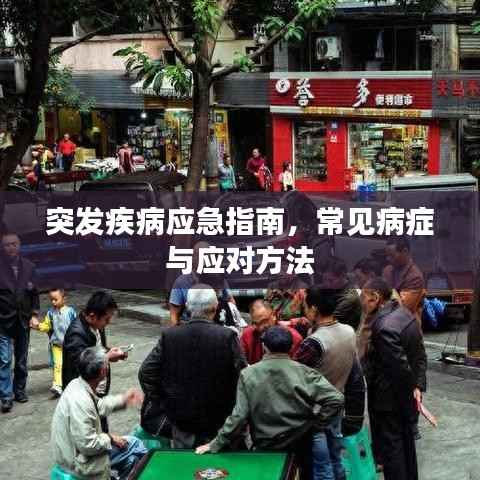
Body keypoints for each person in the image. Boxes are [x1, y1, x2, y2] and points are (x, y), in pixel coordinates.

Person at [196, 326, 344, 480]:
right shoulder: (304, 372)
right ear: (291, 347)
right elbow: (336, 399)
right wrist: (318, 423)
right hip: (300, 441)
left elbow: (239, 416)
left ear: (264, 346)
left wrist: (216, 443)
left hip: (267, 445)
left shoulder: (248, 374)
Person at [139, 286, 247, 448]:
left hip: (182, 422)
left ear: (187, 307)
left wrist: (164, 400)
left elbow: (146, 372)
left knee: (185, 462)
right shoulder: (227, 336)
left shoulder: (170, 336)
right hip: (220, 421)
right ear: (215, 307)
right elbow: (243, 376)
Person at [361, 277, 427, 480]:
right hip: (404, 396)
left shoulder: (384, 326)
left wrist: (412, 395)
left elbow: (399, 369)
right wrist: (417, 387)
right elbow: (420, 356)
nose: (362, 304)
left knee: (393, 452)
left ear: (375, 297)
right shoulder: (405, 314)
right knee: (406, 447)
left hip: (389, 400)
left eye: (364, 298)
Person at [51, 347, 147, 480]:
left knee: (131, 455)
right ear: (103, 371)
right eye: (106, 364)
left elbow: (97, 406)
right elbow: (88, 445)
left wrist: (123, 399)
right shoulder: (81, 401)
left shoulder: (77, 384)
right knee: (137, 446)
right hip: (78, 464)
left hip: (73, 453)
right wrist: (110, 438)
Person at [295, 286, 357, 480]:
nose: (304, 310)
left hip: (316, 412)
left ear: (314, 309)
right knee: (336, 458)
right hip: (337, 405)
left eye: (305, 306)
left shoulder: (314, 342)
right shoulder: (349, 331)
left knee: (322, 467)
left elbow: (295, 375)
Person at [62, 291, 128, 406]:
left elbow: (98, 348)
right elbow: (82, 366)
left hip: (97, 392)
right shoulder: (76, 334)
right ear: (92, 316)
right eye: (106, 319)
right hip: (82, 397)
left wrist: (112, 353)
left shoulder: (97, 326)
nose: (108, 322)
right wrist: (107, 357)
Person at [0, 232, 39, 413]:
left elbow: (34, 294)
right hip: (3, 321)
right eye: (7, 245)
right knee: (4, 359)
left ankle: (20, 391)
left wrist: (34, 314)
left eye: (14, 244)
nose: (10, 247)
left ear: (19, 245)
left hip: (23, 319)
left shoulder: (29, 267)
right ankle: (6, 396)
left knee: (21, 359)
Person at [169, 242, 234, 326]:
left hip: (217, 325)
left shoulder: (217, 278)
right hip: (190, 325)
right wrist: (176, 330)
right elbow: (174, 313)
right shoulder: (182, 282)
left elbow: (231, 302)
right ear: (192, 258)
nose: (201, 259)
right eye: (198, 255)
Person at [33, 289, 77, 397]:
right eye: (51, 299)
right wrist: (38, 326)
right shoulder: (50, 313)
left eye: (55, 299)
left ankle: (73, 384)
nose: (53, 302)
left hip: (70, 345)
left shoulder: (70, 311)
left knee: (71, 365)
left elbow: (76, 325)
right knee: (57, 365)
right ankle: (57, 385)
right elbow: (47, 326)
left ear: (64, 299)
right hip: (56, 344)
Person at [240, 299, 303, 364]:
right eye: (256, 323)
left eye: (264, 321)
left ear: (274, 315)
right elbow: (241, 362)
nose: (261, 327)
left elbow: (296, 368)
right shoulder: (248, 335)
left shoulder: (294, 338)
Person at [383, 237, 425, 328]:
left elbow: (404, 310)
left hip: (406, 328)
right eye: (387, 255)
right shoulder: (387, 270)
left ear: (405, 251)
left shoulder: (415, 277)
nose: (388, 259)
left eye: (392, 256)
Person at [323, 257, 363, 331]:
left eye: (331, 280)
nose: (327, 284)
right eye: (324, 279)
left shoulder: (349, 297)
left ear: (342, 275)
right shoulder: (334, 288)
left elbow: (327, 322)